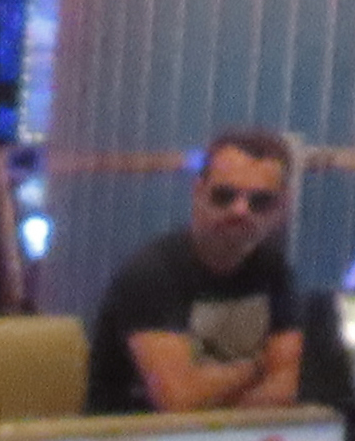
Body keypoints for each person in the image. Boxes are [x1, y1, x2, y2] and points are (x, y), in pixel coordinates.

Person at [86, 129, 304, 413]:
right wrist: (260, 365)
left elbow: (289, 386)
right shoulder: (152, 274)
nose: (240, 210)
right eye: (224, 196)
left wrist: (219, 391)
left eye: (260, 202)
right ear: (198, 192)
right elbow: (180, 401)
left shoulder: (274, 271)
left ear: (281, 208)